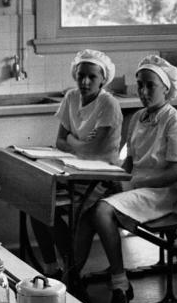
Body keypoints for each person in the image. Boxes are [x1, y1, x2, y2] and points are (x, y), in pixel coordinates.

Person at [71, 55, 177, 303]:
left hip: (159, 192)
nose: (143, 91)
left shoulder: (176, 122)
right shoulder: (137, 118)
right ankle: (71, 279)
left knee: (102, 211)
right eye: (140, 85)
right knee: (88, 210)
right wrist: (117, 178)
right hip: (135, 187)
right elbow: (130, 161)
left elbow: (174, 172)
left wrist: (133, 182)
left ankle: (120, 284)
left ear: (166, 89)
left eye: (150, 86)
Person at [30, 49, 124, 277]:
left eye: (92, 77)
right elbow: (59, 141)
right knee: (36, 202)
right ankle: (52, 266)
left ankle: (69, 264)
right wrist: (78, 143)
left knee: (60, 209)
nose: (85, 81)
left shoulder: (108, 104)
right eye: (81, 75)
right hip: (73, 171)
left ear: (103, 79)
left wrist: (72, 140)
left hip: (101, 177)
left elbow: (92, 148)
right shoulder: (71, 97)